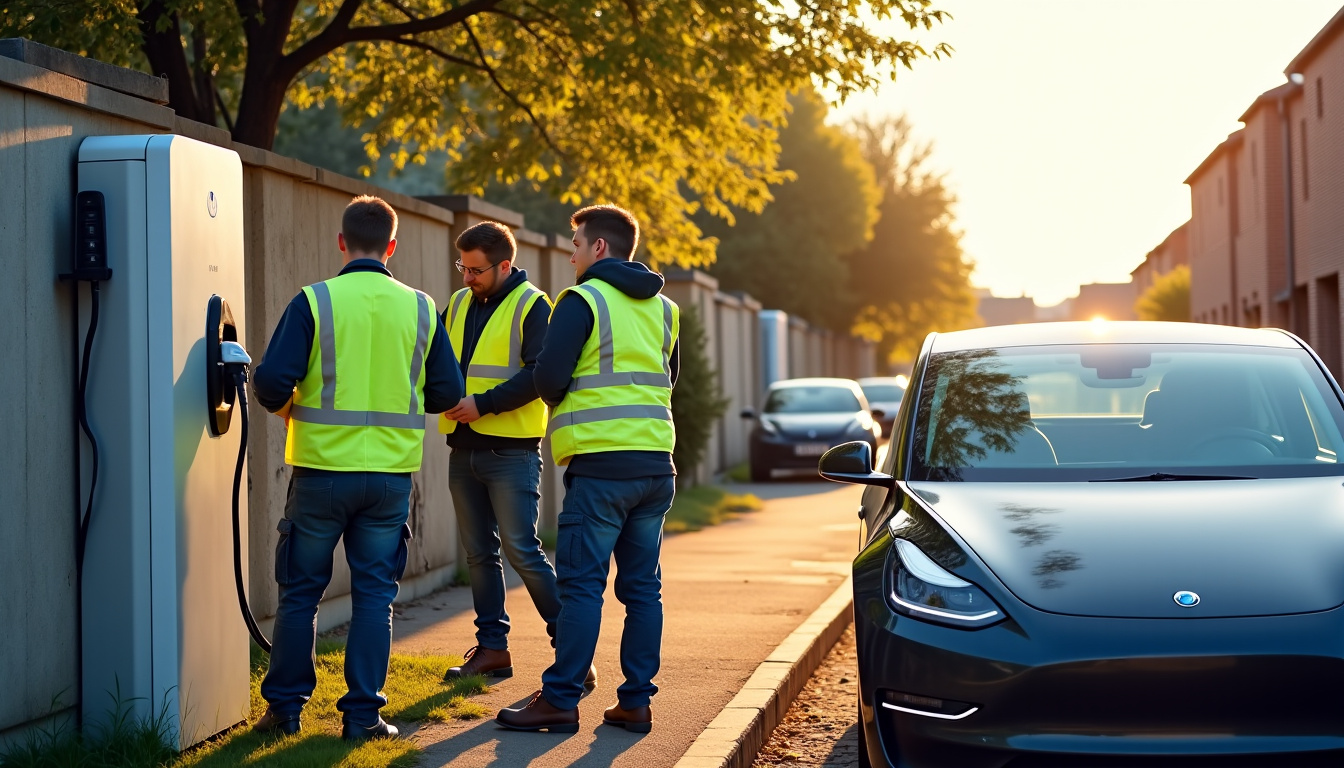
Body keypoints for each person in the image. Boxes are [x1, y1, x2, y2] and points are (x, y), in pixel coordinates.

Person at [250, 195, 464, 741]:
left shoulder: (315, 301)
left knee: (301, 593)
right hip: (389, 481)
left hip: (321, 475)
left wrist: (291, 408)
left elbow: (270, 382)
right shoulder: (420, 308)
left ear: (342, 243)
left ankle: (285, 712)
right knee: (375, 596)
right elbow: (447, 393)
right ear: (392, 247)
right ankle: (364, 718)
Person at [496, 204, 679, 735]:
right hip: (654, 468)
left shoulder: (582, 299)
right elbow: (670, 380)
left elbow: (548, 379)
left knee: (581, 588)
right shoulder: (665, 310)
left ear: (599, 247)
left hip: (600, 469)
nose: (571, 251)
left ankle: (559, 700)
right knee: (643, 590)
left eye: (575, 242)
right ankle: (636, 702)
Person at [439, 221, 593, 690]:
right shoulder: (460, 303)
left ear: (505, 265)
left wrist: (481, 404)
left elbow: (538, 377)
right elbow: (441, 362)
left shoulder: (535, 306)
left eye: (476, 269)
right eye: (462, 267)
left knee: (522, 550)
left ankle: (572, 655)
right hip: (462, 448)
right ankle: (492, 651)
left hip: (511, 451)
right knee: (479, 554)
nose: (467, 277)